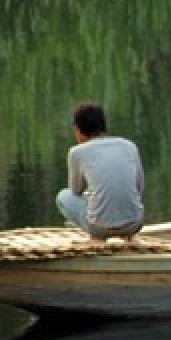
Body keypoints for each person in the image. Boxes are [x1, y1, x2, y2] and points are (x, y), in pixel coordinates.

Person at [56, 102, 144, 239]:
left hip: (99, 228)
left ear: (78, 129)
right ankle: (128, 236)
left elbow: (76, 191)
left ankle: (97, 237)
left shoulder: (76, 152)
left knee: (62, 197)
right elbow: (139, 187)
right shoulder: (129, 146)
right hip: (135, 224)